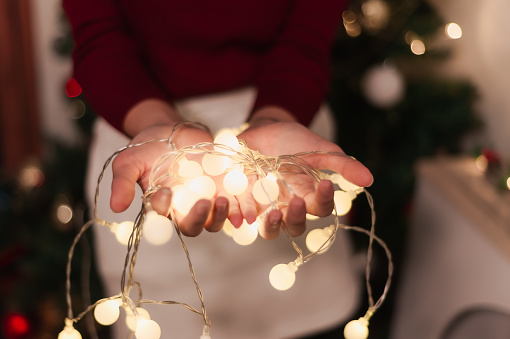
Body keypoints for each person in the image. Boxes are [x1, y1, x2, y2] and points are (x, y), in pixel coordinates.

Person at [63, 1, 373, 338]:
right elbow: (100, 39)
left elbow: (306, 37)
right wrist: (160, 126)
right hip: (147, 145)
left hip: (286, 144)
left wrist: (276, 118)